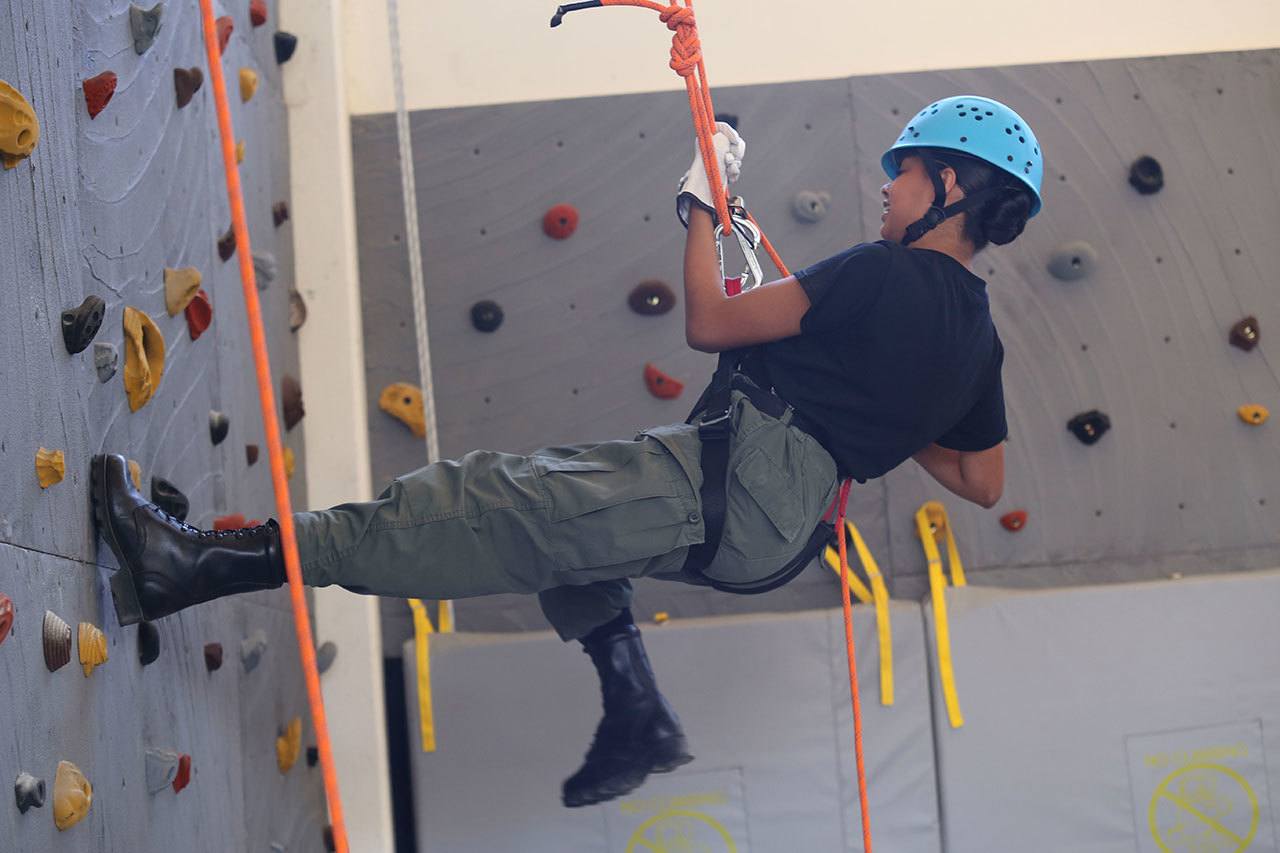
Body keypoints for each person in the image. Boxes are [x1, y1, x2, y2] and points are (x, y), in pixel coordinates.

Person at [90, 94, 1043, 809]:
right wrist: (890, 403)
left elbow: (710, 323)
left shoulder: (884, 269)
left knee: (482, 503)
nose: (889, 184)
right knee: (572, 538)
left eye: (907, 171)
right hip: (772, 522)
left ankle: (191, 565)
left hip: (735, 476)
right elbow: (978, 475)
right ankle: (635, 709)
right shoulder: (978, 336)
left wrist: (699, 204)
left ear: (950, 185)